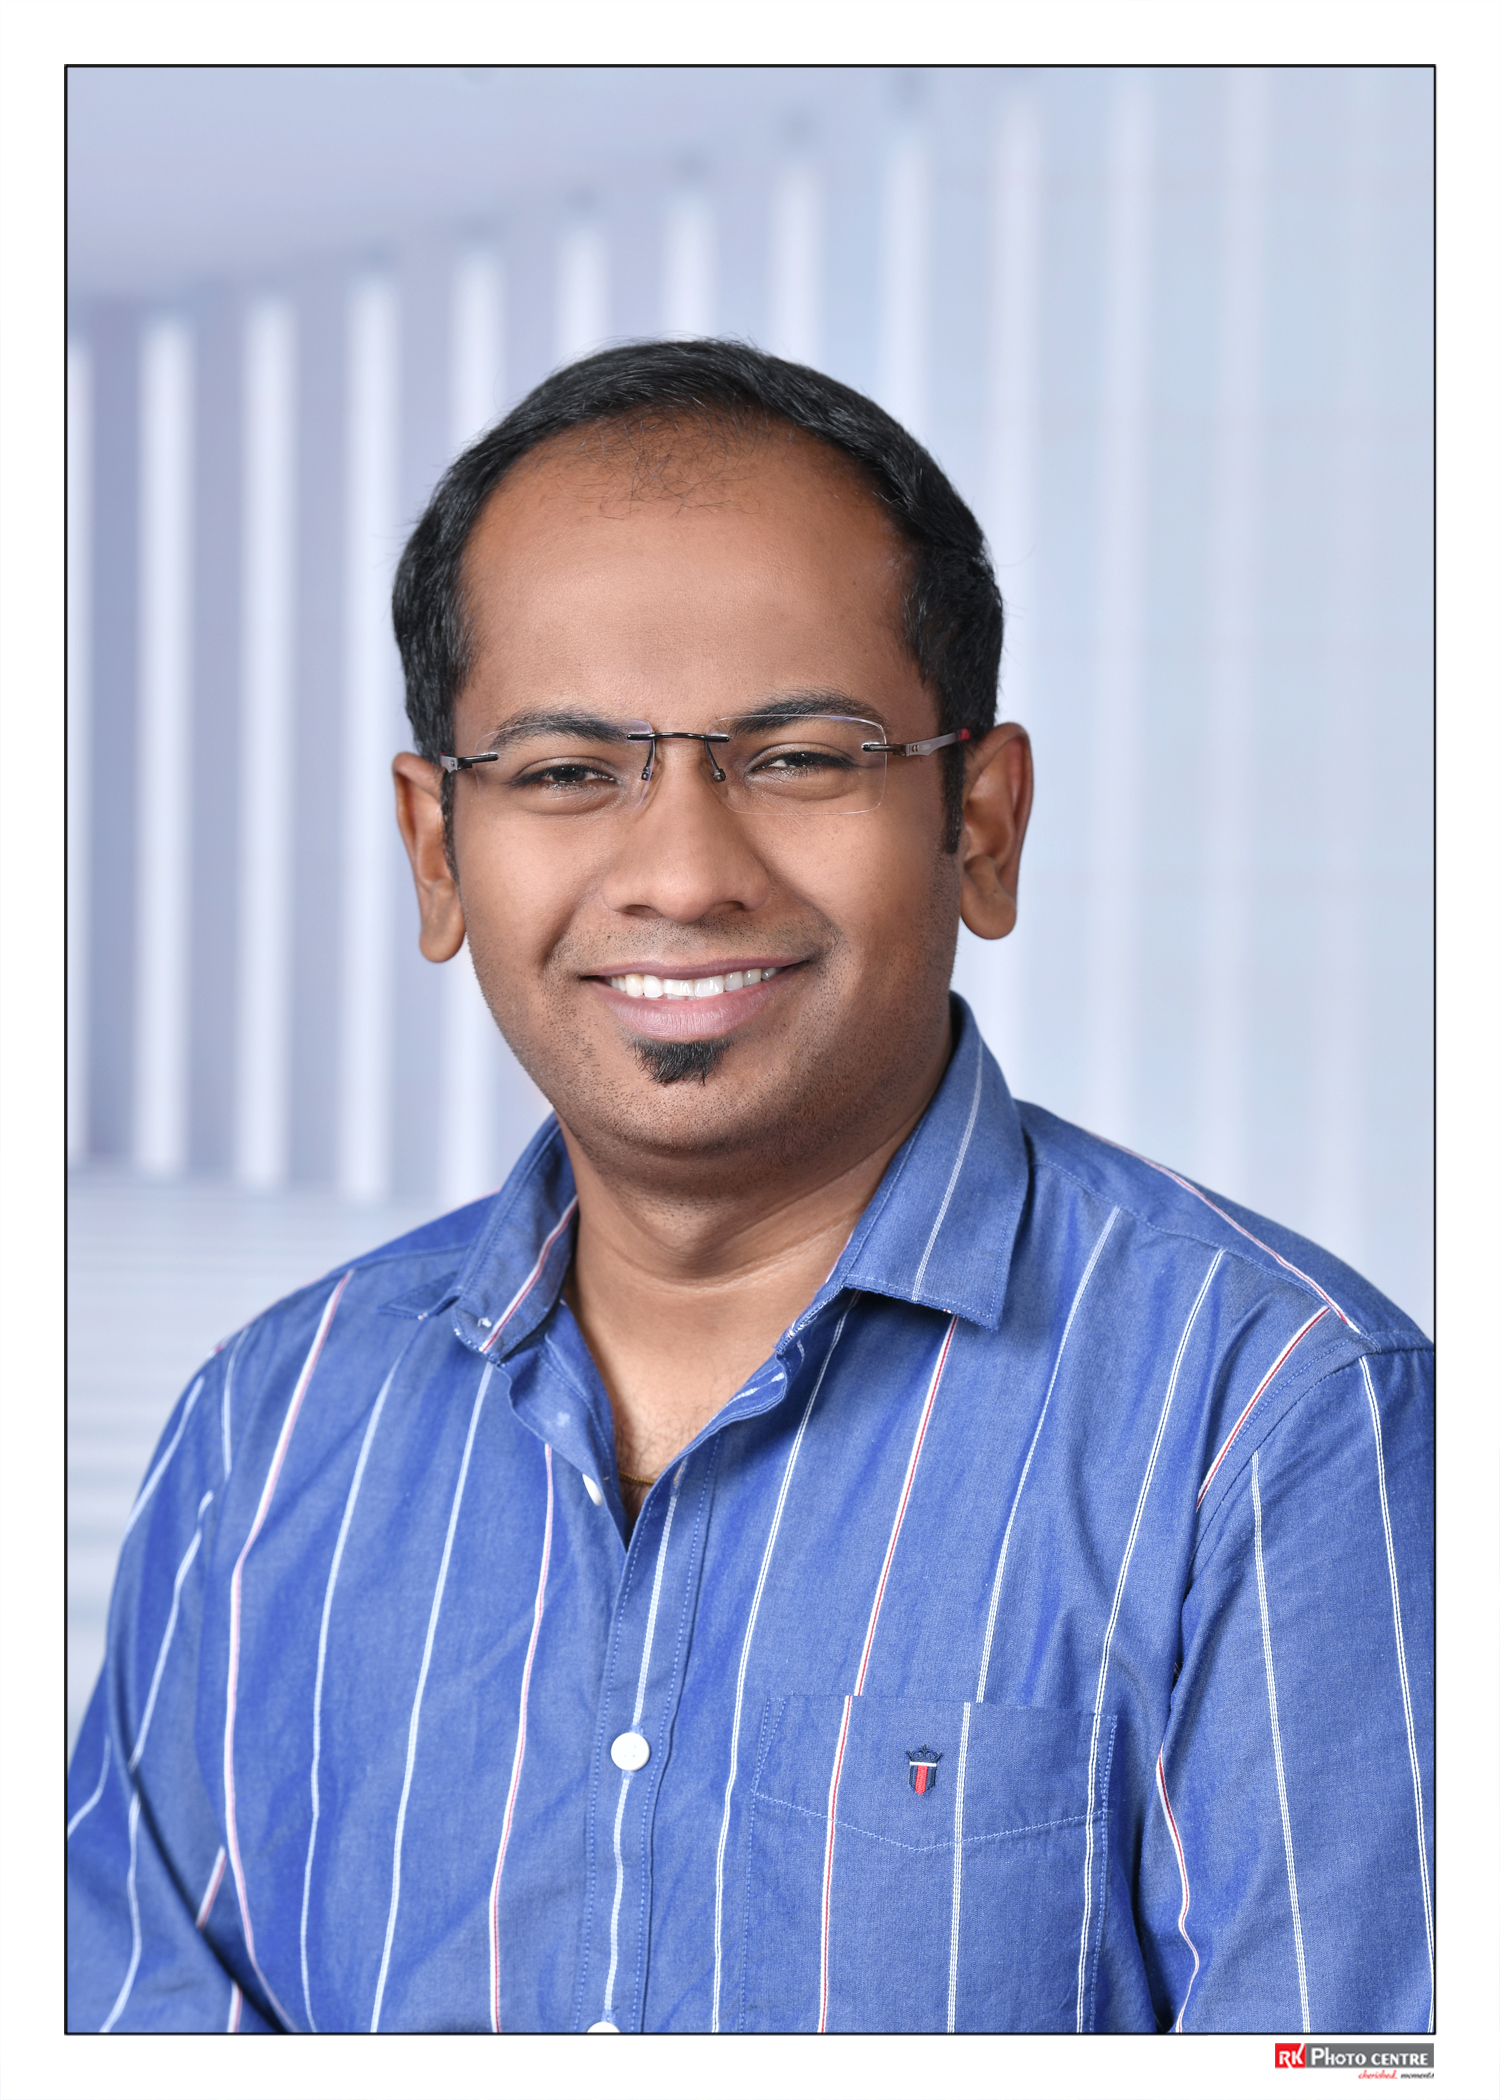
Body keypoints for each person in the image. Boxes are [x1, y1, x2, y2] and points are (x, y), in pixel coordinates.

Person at [67, 339, 1433, 2037]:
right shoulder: (266, 1437)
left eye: (798, 757)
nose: (685, 872)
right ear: (437, 851)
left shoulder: (1282, 1423)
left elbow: (1360, 2059)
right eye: (568, 771)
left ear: (982, 823)